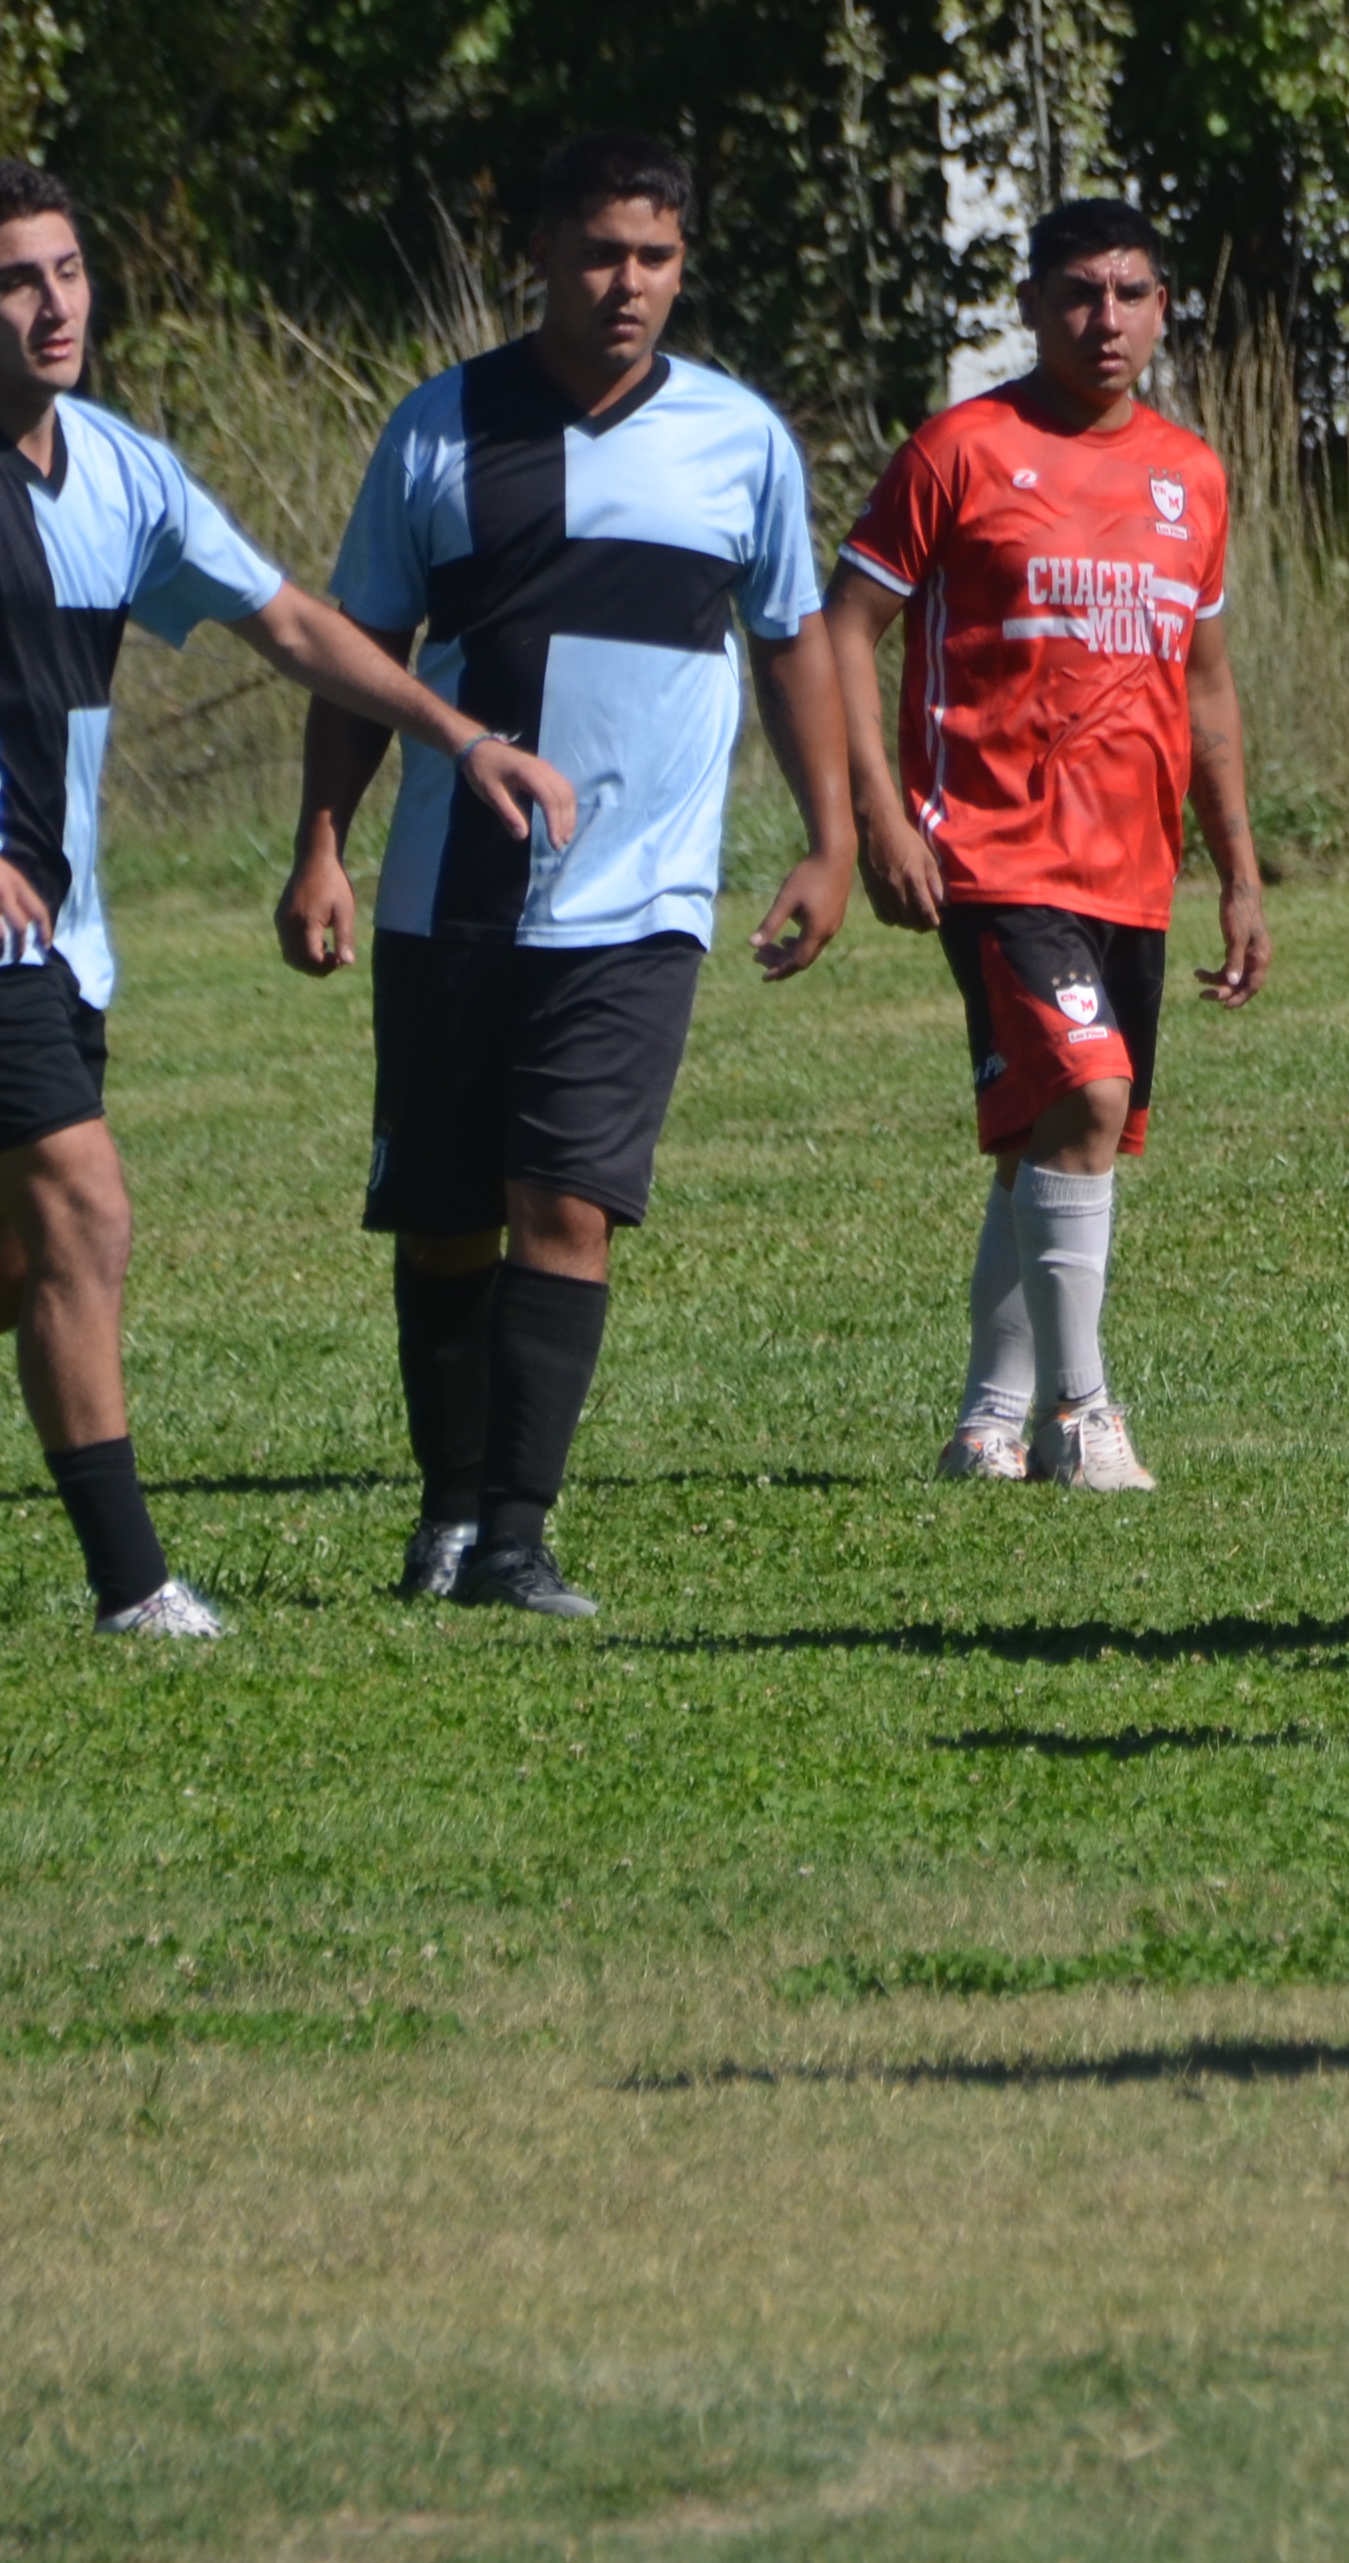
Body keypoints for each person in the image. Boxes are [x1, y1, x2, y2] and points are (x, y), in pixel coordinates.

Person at [0, 161, 576, 1639]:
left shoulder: (123, 471)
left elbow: (286, 622)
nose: (53, 302)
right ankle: (134, 1588)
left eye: (69, 270)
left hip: (58, 932)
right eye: (15, 279)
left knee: (5, 1263)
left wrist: (456, 736)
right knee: (88, 1216)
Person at [278, 131, 852, 1618]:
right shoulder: (440, 428)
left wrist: (832, 834)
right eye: (600, 252)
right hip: (450, 888)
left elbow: (790, 641)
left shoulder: (741, 440)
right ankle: (447, 1512)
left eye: (655, 257)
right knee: (447, 1210)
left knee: (571, 1205)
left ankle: (518, 1534)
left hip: (645, 892)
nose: (627, 285)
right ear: (540, 253)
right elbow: (359, 655)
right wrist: (323, 846)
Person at [828, 197, 1269, 1490]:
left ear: (1165, 308)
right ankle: (1083, 1416)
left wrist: (1238, 873)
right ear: (1029, 306)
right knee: (1088, 1097)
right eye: (1079, 292)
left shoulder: (1191, 473)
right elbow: (845, 626)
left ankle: (985, 1419)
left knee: (1047, 1138)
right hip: (994, 855)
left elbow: (1205, 683)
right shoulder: (961, 451)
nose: (1106, 319)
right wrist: (877, 817)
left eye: (1132, 293)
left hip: (1131, 868)